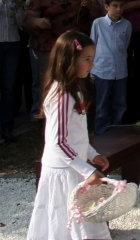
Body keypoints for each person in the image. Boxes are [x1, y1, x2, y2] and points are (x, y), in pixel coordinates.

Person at [27, 31, 111, 240]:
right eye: (87, 59)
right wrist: (87, 170)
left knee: (78, 221)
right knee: (65, 222)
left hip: (74, 166)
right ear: (69, 60)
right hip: (64, 171)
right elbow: (58, 141)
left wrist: (92, 155)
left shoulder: (74, 90)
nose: (91, 64)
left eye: (92, 59)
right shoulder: (62, 95)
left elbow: (77, 133)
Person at [25, 0, 104, 94]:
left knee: (78, 86)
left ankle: (78, 113)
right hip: (49, 48)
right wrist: (38, 22)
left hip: (78, 48)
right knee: (48, 86)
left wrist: (90, 5)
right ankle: (42, 114)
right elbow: (28, 20)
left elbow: (98, 13)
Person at [90, 0, 132, 134]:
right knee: (102, 103)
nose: (119, 9)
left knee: (120, 103)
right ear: (106, 6)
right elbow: (92, 45)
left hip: (120, 71)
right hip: (102, 69)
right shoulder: (98, 23)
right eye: (115, 6)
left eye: (121, 6)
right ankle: (101, 131)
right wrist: (91, 70)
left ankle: (116, 130)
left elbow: (125, 45)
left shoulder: (126, 25)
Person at [0, 0, 24, 143]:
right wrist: (1, 0)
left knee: (9, 88)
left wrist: (17, 5)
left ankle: (7, 128)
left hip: (13, 43)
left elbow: (21, 22)